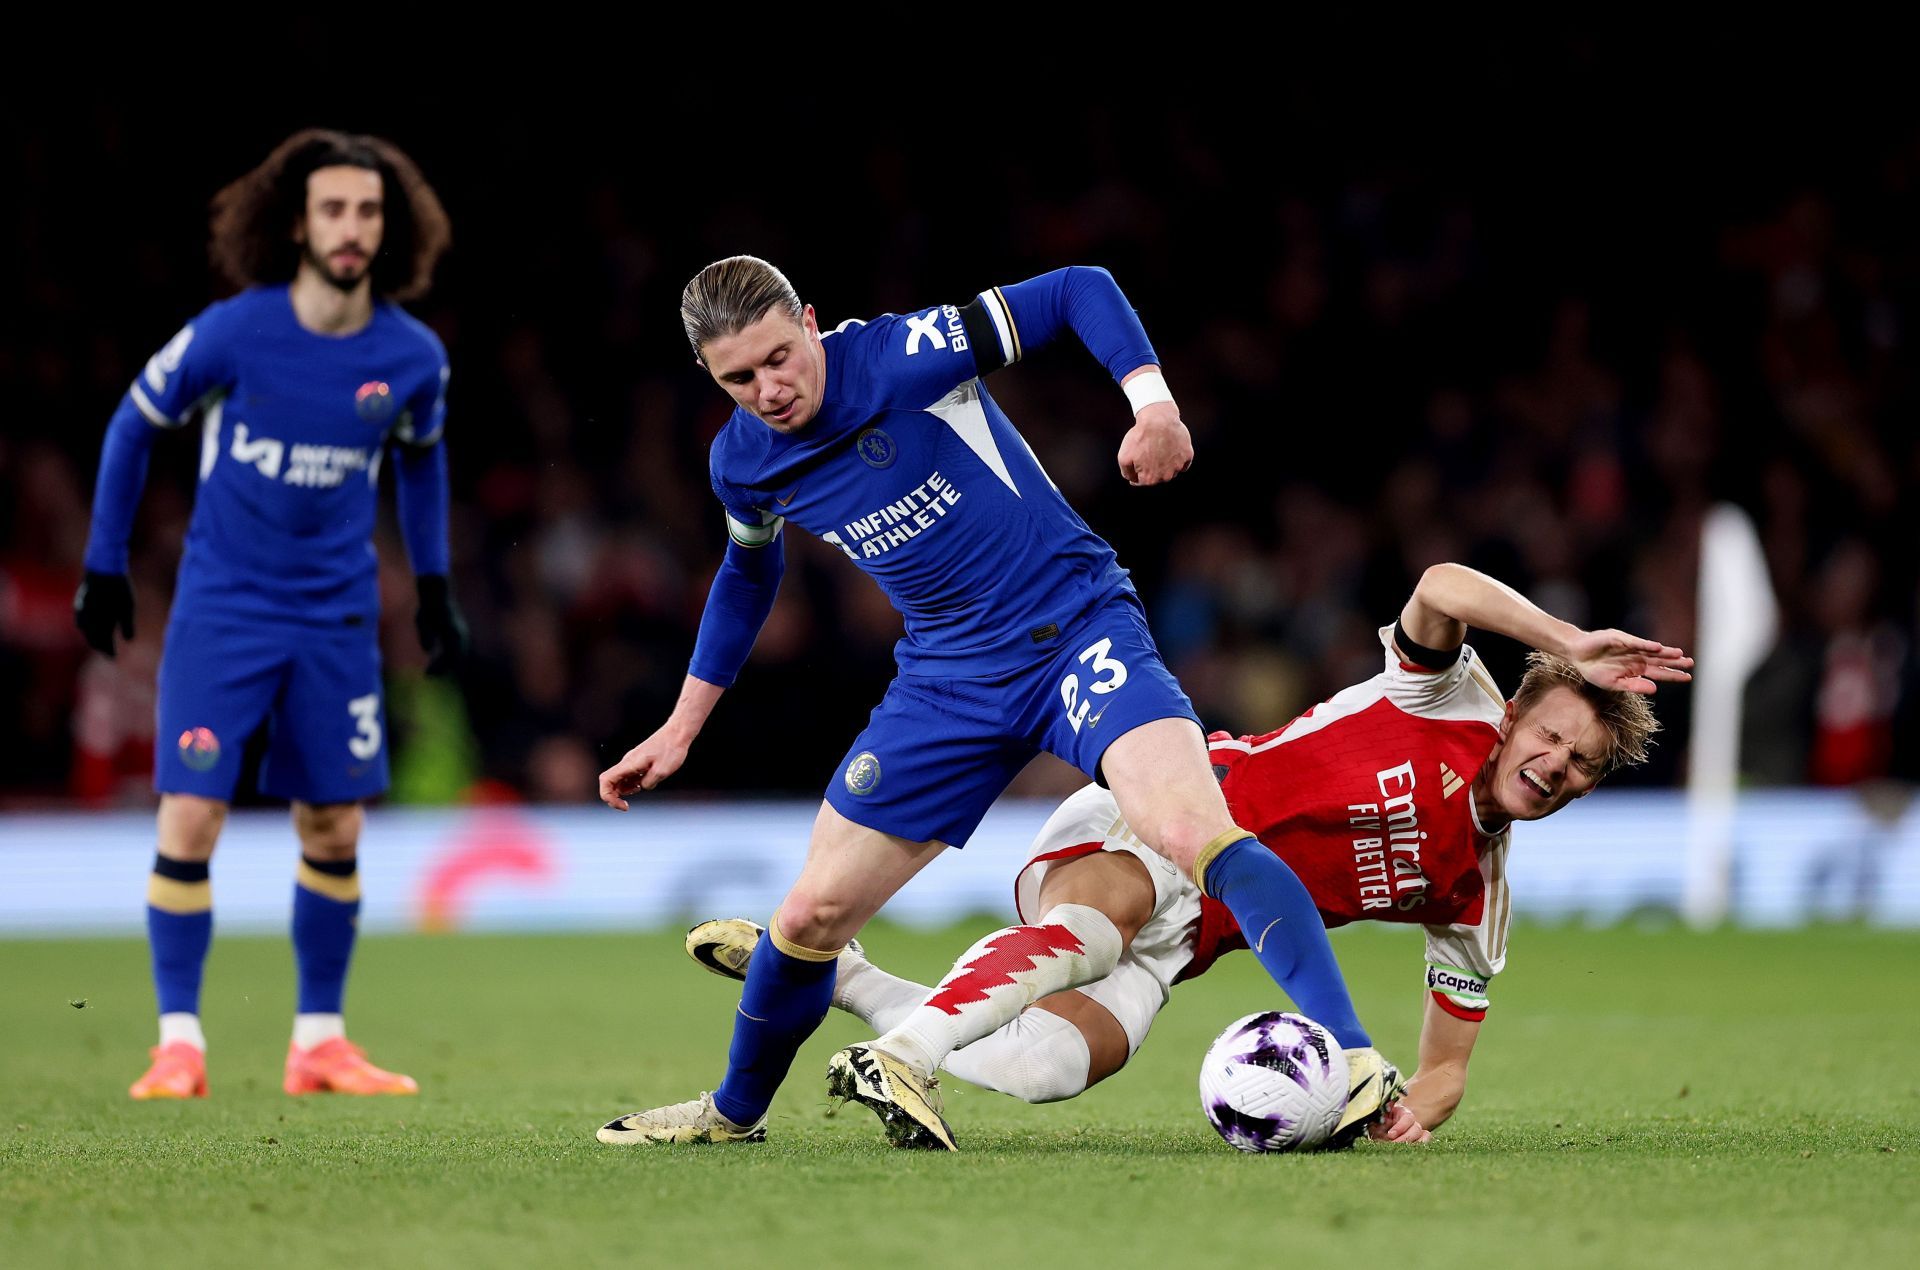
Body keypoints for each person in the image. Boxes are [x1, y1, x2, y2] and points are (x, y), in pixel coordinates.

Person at [597, 259, 1397, 1150]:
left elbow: (1076, 289)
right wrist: (681, 725)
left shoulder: (903, 355)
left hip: (1075, 629)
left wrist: (1153, 403)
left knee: (1192, 834)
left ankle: (1358, 1060)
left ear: (811, 322)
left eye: (780, 358)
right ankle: (731, 1115)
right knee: (808, 917)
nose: (768, 389)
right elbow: (750, 573)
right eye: (737, 378)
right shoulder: (741, 460)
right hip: (947, 679)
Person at [685, 563, 1691, 1144]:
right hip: (1162, 810)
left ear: (1591, 785)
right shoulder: (1447, 695)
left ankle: (847, 980)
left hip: (1187, 937)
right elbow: (1439, 584)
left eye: (1582, 762)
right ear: (1514, 716)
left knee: (1050, 1066)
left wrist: (1386, 1117)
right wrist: (1565, 632)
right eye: (1551, 736)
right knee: (1088, 926)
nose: (1556, 763)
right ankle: (900, 1059)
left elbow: (1446, 1071)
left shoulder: (1477, 898)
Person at [75, 129, 467, 1100]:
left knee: (333, 826)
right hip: (226, 611)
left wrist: (436, 584)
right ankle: (178, 1044)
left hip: (334, 619)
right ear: (297, 221)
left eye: (368, 211)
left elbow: (421, 461)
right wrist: (103, 564)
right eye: (334, 209)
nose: (351, 228)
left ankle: (319, 1043)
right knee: (193, 812)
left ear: (389, 226)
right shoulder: (235, 332)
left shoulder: (411, 357)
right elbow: (134, 422)